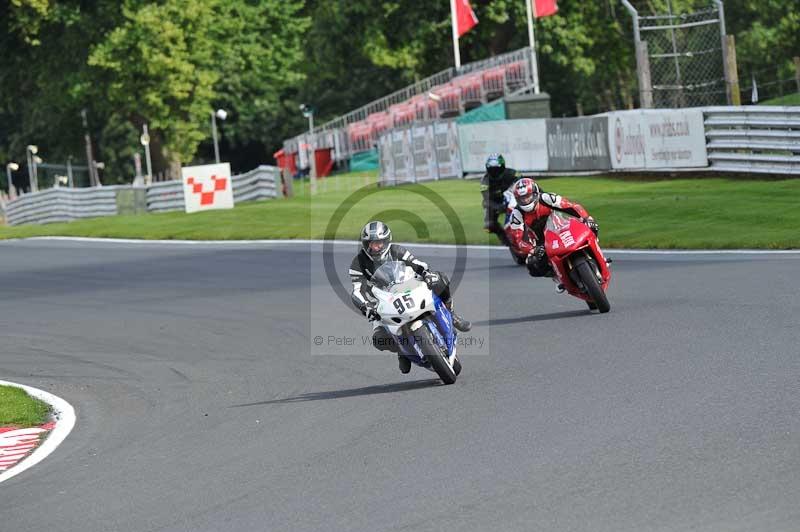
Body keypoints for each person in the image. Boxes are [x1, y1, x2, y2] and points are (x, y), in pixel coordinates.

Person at [350, 221, 471, 374]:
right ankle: (401, 351)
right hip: (382, 302)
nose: (375, 247)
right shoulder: (358, 263)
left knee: (441, 279)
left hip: (409, 286)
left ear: (386, 241)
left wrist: (427, 274)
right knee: (379, 339)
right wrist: (366, 306)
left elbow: (417, 264)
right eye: (371, 244)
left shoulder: (396, 250)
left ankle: (452, 315)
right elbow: (357, 291)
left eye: (379, 243)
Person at [506, 178, 599, 278]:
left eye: (528, 196)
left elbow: (572, 206)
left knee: (592, 227)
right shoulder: (516, 214)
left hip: (560, 228)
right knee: (532, 265)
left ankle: (598, 253)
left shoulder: (546, 198)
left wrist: (586, 218)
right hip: (540, 242)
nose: (525, 200)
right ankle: (557, 277)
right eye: (522, 198)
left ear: (535, 193)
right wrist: (533, 250)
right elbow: (519, 240)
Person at [481, 153, 519, 246]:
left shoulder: (512, 173)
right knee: (489, 225)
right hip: (495, 202)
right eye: (492, 170)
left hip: (513, 198)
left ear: (503, 167)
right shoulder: (485, 181)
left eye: (497, 170)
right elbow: (486, 199)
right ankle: (506, 241)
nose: (495, 172)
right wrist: (498, 206)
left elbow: (525, 181)